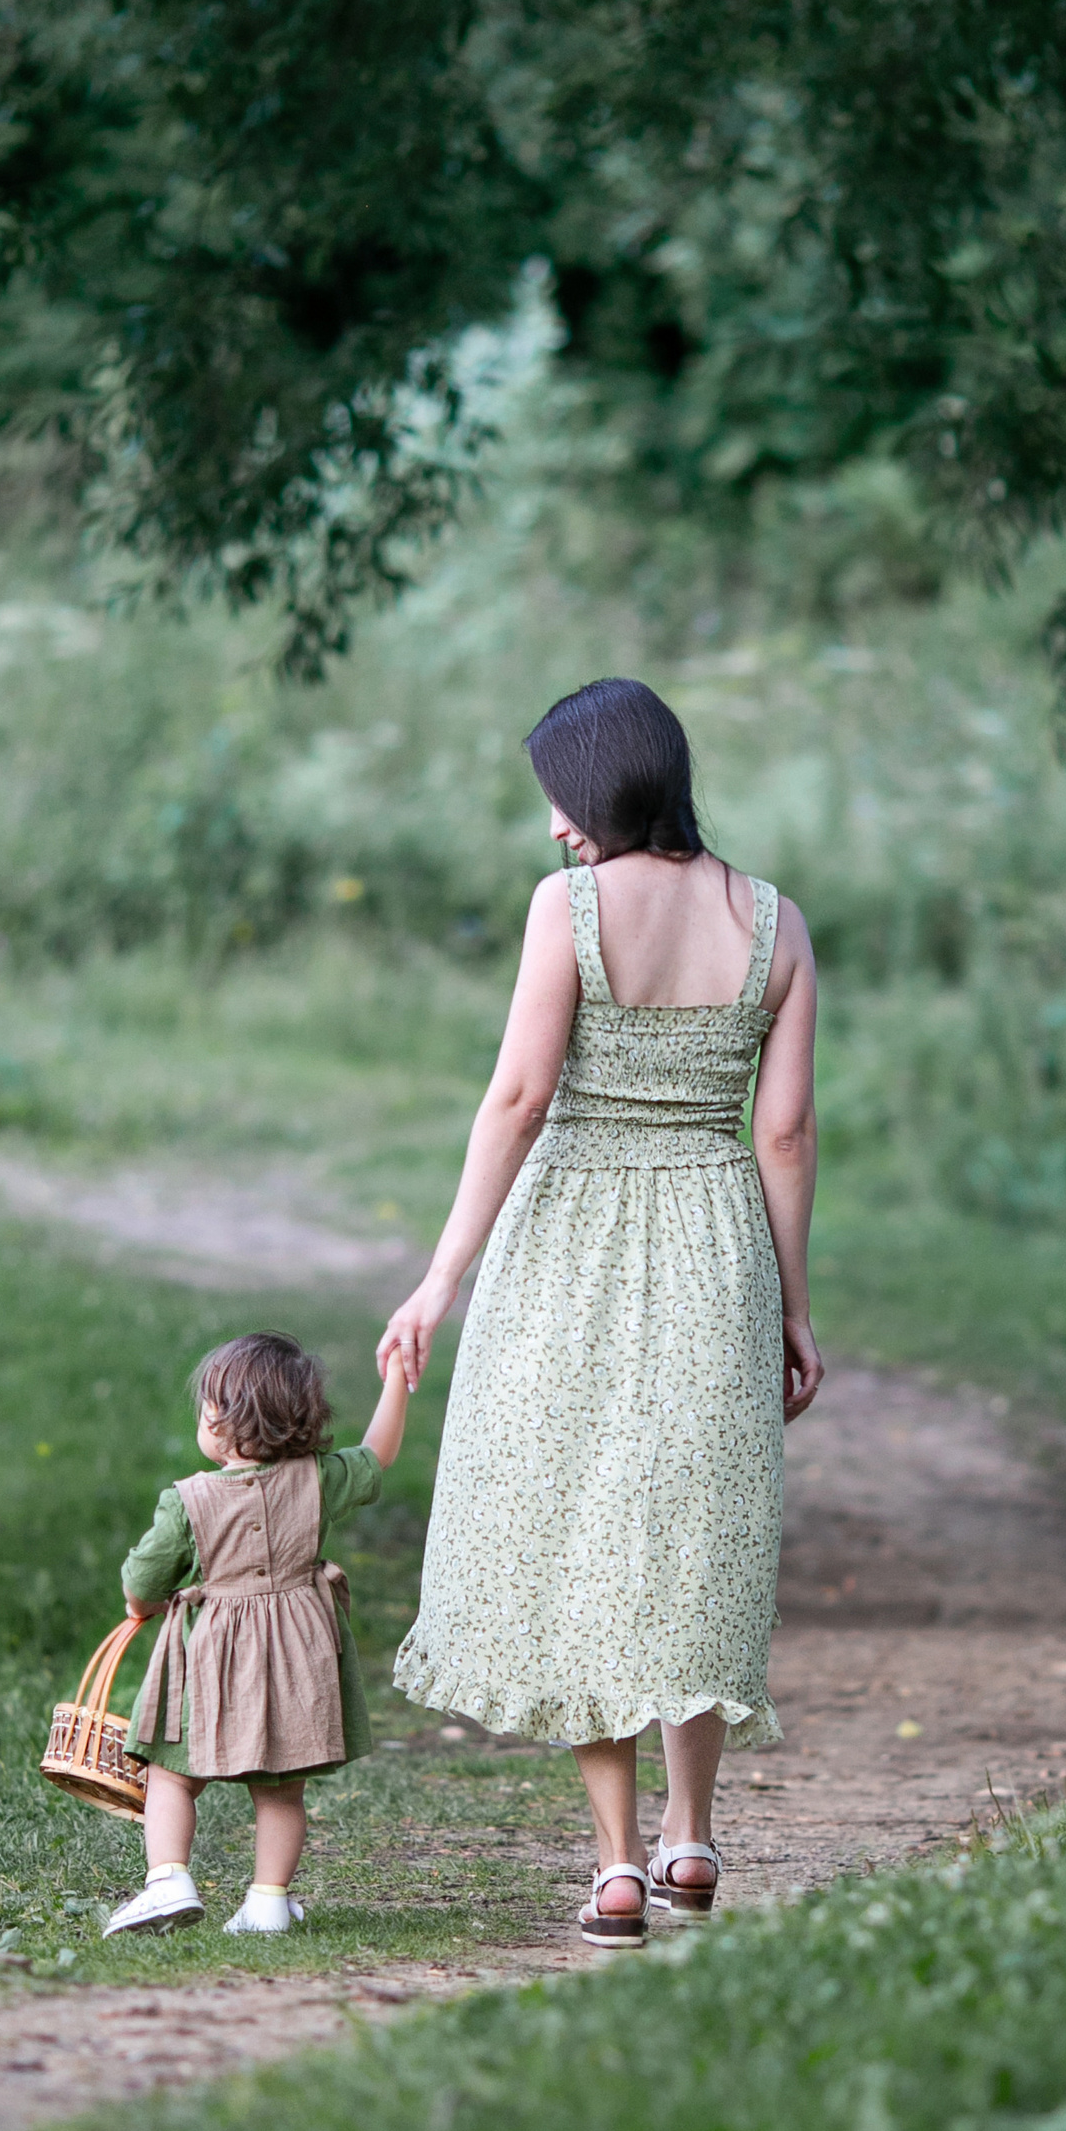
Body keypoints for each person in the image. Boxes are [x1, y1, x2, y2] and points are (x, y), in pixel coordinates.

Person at [382, 676, 821, 1948]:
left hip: (566, 1237)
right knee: (694, 1530)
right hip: (712, 1239)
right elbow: (783, 1132)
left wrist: (441, 1275)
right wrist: (794, 1305)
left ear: (606, 787)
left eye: (563, 804)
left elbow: (518, 1098)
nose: (558, 830)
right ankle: (693, 1834)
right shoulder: (777, 922)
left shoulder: (566, 909)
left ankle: (620, 1864)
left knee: (577, 1532)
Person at [101, 1329, 408, 1940]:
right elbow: (379, 1454)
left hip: (213, 1661)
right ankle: (267, 1901)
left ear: (219, 1421)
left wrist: (148, 1602)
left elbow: (142, 1581)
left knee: (171, 1773)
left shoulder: (189, 1501)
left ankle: (168, 1879)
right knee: (279, 1790)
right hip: (298, 1656)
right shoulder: (319, 1480)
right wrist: (398, 1373)